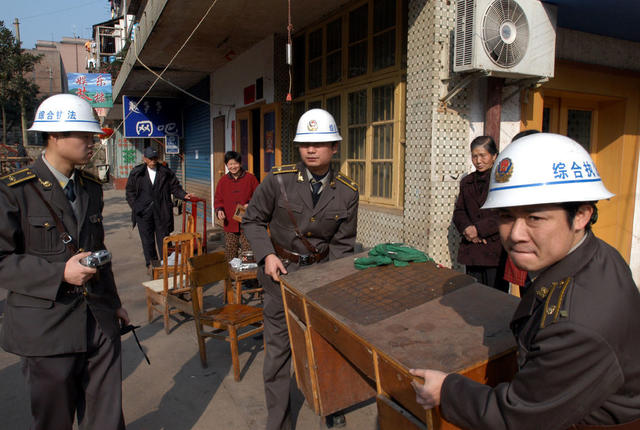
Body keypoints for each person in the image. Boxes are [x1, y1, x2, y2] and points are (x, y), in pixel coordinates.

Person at [410, 133, 640, 430]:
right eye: (506, 216)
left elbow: (517, 419)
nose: (516, 233)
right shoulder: (594, 253)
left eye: (535, 218)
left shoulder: (579, 323)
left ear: (581, 215)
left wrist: (447, 390)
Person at [0, 93, 130, 430]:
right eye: (85, 136)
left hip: (98, 321)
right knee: (54, 420)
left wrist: (114, 303)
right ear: (55, 136)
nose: (92, 143)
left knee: (107, 418)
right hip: (47, 330)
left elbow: (99, 249)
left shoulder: (90, 187)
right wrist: (60, 273)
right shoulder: (15, 192)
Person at [242, 108, 359, 430]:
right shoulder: (278, 181)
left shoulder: (347, 192)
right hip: (278, 278)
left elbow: (343, 245)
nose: (311, 149)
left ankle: (330, 407)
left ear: (334, 147)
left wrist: (332, 286)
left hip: (320, 281)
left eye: (319, 143)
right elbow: (252, 220)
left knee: (323, 348)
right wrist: (266, 255)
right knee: (278, 354)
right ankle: (278, 423)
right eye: (305, 143)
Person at [452, 135, 508, 292]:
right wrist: (468, 230)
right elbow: (459, 211)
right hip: (473, 247)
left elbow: (504, 214)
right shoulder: (467, 182)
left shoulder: (502, 181)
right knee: (474, 293)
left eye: (483, 155)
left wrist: (479, 230)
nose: (478, 161)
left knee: (495, 295)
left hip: (495, 248)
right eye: (474, 156)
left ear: (494, 156)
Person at [125, 146, 193, 273]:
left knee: (164, 239)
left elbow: (174, 186)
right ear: (144, 159)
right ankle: (152, 264)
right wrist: (136, 206)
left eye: (155, 158)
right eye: (150, 158)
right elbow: (130, 191)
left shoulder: (165, 172)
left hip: (162, 210)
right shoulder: (137, 173)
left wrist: (183, 194)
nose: (153, 161)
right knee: (147, 240)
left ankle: (166, 263)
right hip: (143, 212)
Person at [213, 151, 259, 262]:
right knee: (230, 251)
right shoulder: (223, 181)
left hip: (247, 221)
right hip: (230, 222)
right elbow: (218, 199)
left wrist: (250, 203)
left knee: (248, 251)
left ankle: (248, 276)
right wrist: (219, 210)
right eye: (230, 164)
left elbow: (259, 196)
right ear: (226, 165)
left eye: (235, 163)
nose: (233, 167)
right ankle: (230, 277)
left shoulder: (250, 178)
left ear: (240, 163)